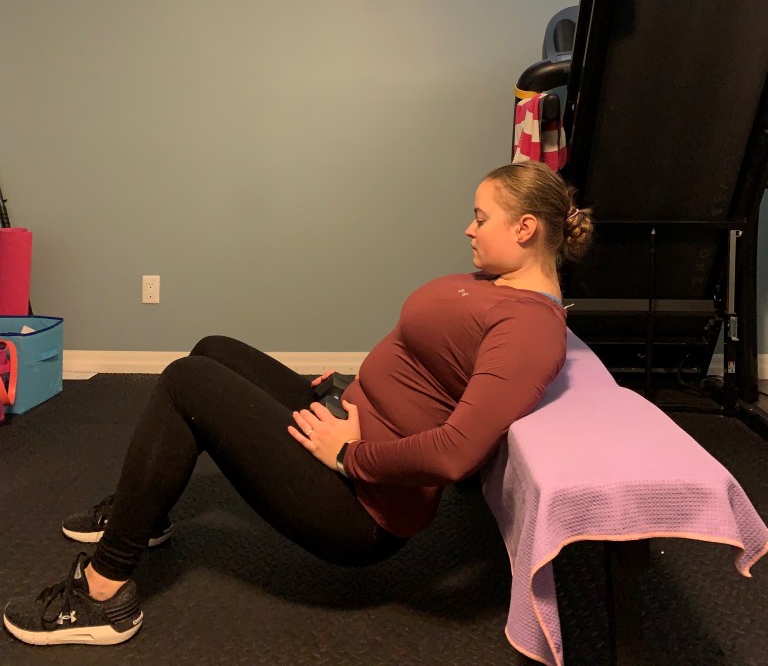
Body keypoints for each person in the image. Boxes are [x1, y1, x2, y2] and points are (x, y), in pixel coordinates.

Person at [3, 161, 593, 647]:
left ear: (525, 228)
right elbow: (427, 367)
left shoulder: (531, 330)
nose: (468, 229)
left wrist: (349, 456)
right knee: (214, 349)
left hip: (361, 505)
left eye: (481, 217)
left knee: (188, 382)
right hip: (346, 423)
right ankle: (144, 508)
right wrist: (344, 394)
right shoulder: (497, 285)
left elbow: (456, 454)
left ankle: (103, 593)